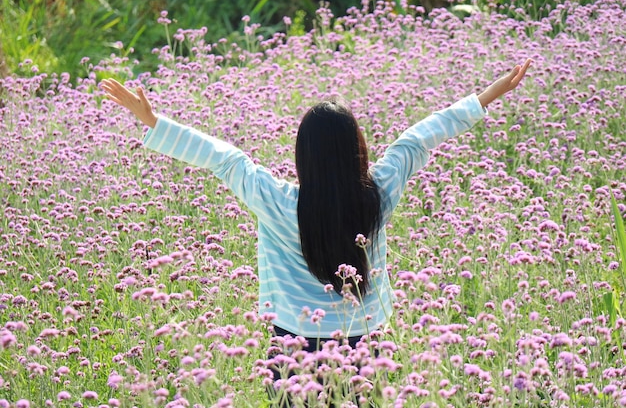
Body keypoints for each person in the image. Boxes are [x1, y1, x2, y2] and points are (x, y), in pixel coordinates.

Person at [100, 58, 531, 404]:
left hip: (293, 350)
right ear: (357, 148)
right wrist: (488, 95)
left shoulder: (279, 203)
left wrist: (155, 123)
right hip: (365, 347)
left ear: (302, 154)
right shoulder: (376, 193)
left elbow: (226, 159)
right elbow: (418, 139)